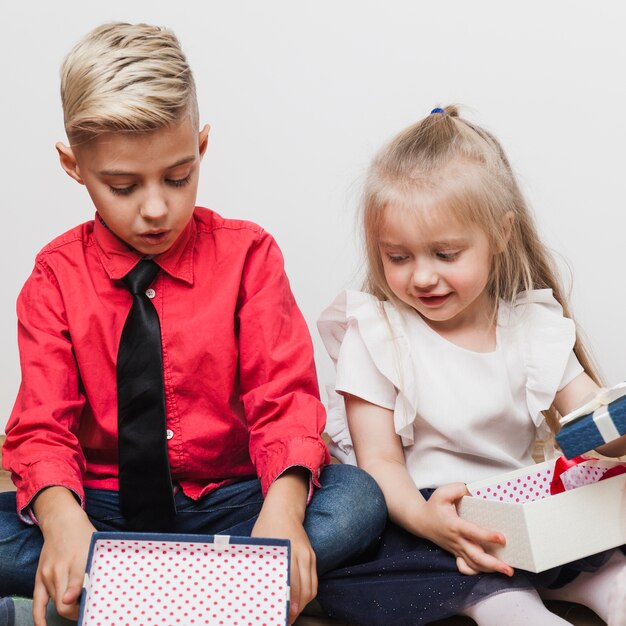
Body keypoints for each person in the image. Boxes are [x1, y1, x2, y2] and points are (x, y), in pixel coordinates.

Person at [0, 22, 386, 626]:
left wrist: (282, 514)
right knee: (16, 525)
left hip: (233, 500)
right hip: (105, 507)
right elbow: (41, 428)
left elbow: (282, 402)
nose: (156, 208)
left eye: (177, 177)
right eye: (123, 186)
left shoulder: (250, 257)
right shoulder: (53, 278)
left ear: (201, 146)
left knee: (359, 501)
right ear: (73, 166)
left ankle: (116, 596)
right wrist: (62, 520)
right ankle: (223, 593)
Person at [315, 105, 626, 625]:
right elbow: (380, 465)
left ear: (500, 235)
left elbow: (589, 423)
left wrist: (620, 432)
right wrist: (427, 520)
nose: (422, 277)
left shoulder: (533, 329)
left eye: (445, 253)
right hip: (427, 521)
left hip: (527, 517)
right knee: (504, 601)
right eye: (398, 256)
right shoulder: (376, 333)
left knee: (613, 574)